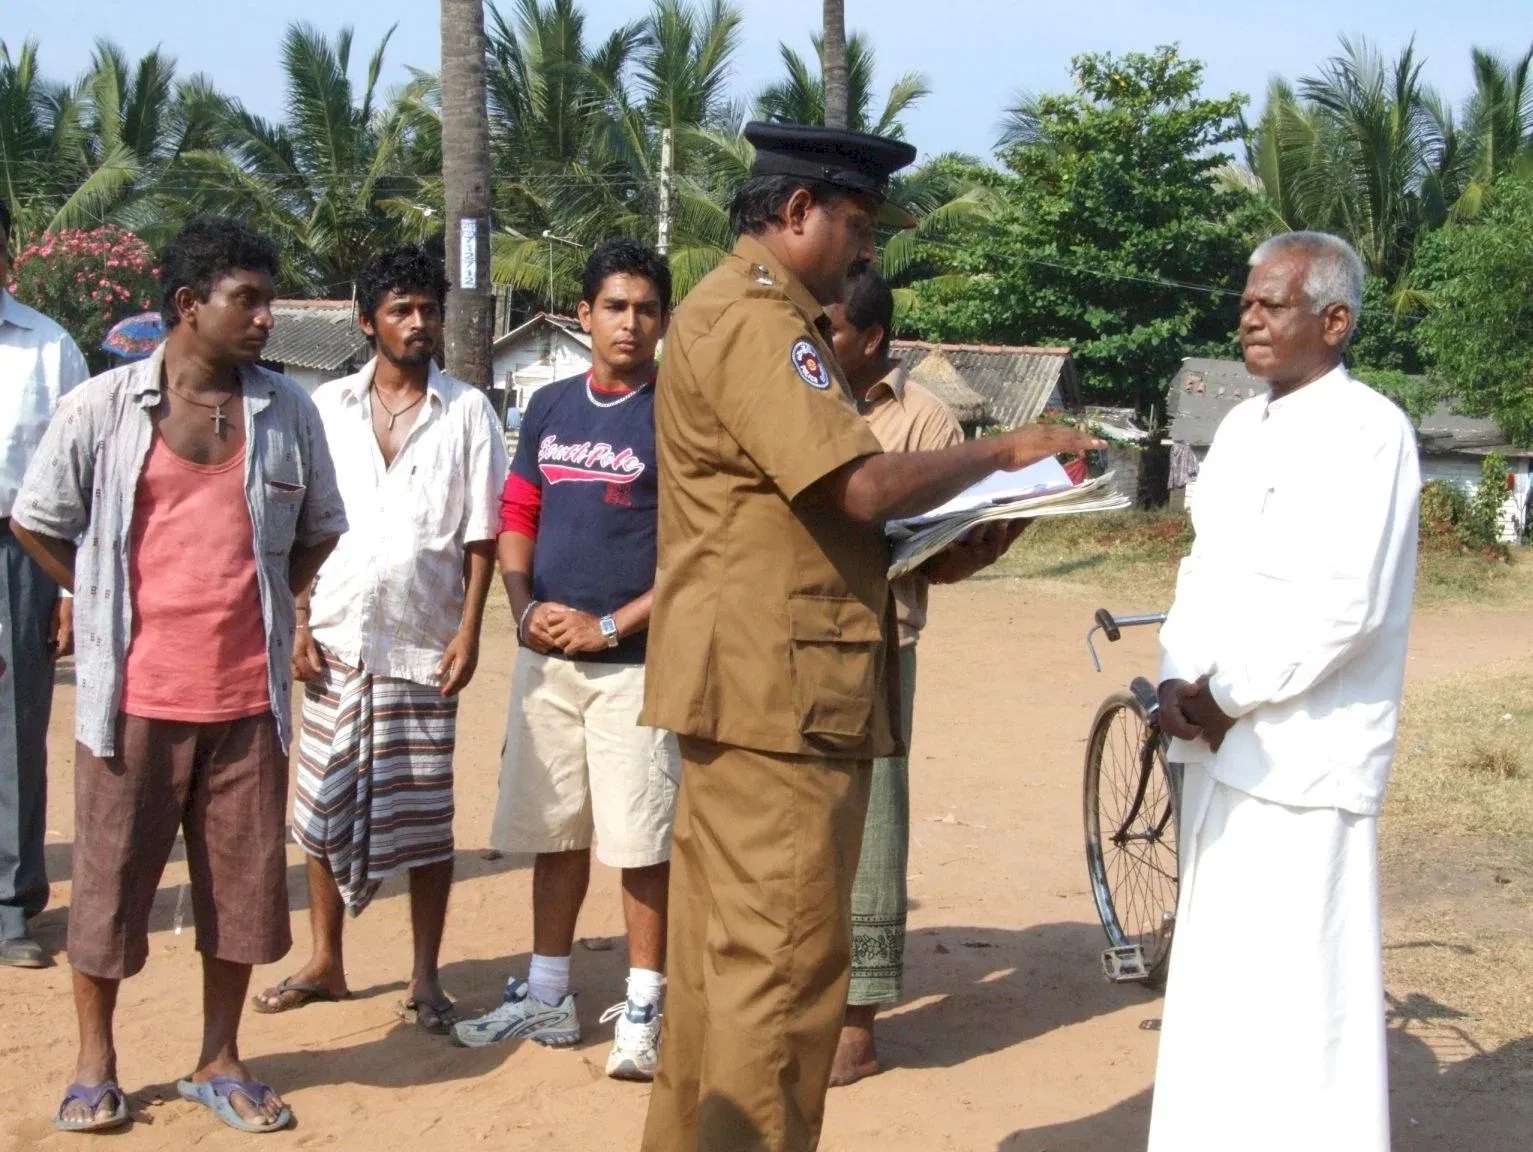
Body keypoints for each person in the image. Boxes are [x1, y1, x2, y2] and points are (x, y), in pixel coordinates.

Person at [638, 121, 1101, 1152]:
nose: (867, 254)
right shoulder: (762, 323)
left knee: (723, 980)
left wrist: (983, 516)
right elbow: (860, 483)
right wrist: (1005, 451)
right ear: (797, 212)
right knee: (784, 979)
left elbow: (815, 522)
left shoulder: (737, 314)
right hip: (781, 705)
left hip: (748, 690)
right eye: (859, 226)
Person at [12, 216, 347, 1135]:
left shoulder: (287, 412)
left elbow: (319, 526)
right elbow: (37, 517)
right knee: (110, 893)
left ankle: (219, 1058)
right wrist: (102, 591)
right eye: (247, 299)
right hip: (132, 702)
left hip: (247, 704)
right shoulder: (103, 407)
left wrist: (268, 603)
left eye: (268, 299)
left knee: (240, 895)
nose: (265, 318)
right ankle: (95, 1064)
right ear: (187, 307)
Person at [1149, 231, 1419, 1152]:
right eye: (1245, 302)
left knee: (1306, 1002)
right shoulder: (1237, 425)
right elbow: (1203, 569)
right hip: (1217, 752)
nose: (1248, 317)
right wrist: (1180, 681)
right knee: (1217, 989)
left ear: (1334, 323)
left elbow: (1342, 606)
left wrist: (1228, 694)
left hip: (1304, 759)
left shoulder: (1369, 432)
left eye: (1273, 304)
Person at [250, 245, 506, 1033]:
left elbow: (482, 535)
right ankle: (327, 961)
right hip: (331, 640)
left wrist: (468, 633)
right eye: (401, 309)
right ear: (368, 321)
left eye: (428, 308)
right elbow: (297, 525)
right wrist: (293, 622)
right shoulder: (324, 408)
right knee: (320, 809)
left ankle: (426, 975)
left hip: (422, 643)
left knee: (426, 816)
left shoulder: (468, 411)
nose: (419, 322)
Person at [453, 238, 681, 1083]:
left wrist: (612, 626)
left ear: (663, 321)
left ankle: (645, 1008)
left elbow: (700, 555)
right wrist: (521, 608)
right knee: (555, 828)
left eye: (646, 309)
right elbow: (519, 508)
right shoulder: (549, 406)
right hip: (547, 663)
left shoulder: (679, 412)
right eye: (614, 306)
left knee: (639, 840)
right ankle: (548, 991)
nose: (629, 323)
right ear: (582, 315)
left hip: (637, 664)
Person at [822, 268, 1022, 1086]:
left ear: (868, 339)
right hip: (789, 638)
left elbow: (938, 556)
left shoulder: (927, 419)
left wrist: (977, 543)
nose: (814, 340)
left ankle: (857, 1023)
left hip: (879, 640)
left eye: (828, 328)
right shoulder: (799, 394)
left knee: (873, 828)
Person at [0, 196, 89, 970]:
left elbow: (79, 480)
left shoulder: (47, 347)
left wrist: (67, 591)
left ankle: (10, 904)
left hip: (18, 553)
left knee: (15, 730)